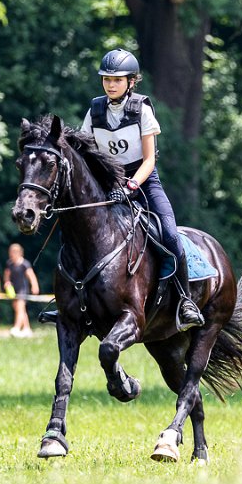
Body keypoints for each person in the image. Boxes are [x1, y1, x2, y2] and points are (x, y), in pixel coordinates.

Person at [79, 47, 204, 331]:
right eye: (107, 79)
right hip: (108, 184)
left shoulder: (141, 109)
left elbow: (149, 159)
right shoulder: (94, 111)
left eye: (117, 80)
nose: (111, 85)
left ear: (131, 82)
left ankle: (185, 301)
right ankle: (72, 301)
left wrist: (131, 185)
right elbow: (86, 153)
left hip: (143, 180)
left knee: (170, 236)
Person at [3, 243, 39, 337]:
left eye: (14, 252)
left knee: (19, 307)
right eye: (11, 252)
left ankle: (16, 328)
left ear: (20, 253)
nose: (12, 253)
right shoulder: (9, 263)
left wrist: (34, 286)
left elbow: (31, 276)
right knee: (19, 309)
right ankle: (27, 328)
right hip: (13, 290)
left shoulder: (25, 264)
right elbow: (6, 276)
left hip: (23, 289)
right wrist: (7, 283)